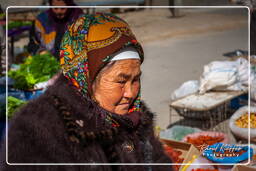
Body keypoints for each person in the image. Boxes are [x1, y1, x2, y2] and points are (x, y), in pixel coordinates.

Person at [0, 13, 173, 171]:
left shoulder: (134, 117)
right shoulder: (37, 128)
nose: (130, 93)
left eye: (135, 80)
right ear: (85, 77)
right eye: (121, 81)